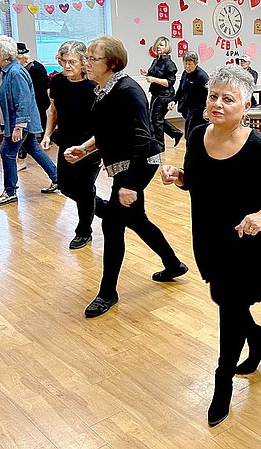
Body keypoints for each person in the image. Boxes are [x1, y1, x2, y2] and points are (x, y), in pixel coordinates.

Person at [160, 65, 261, 427]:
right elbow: (193, 181)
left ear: (245, 104)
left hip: (249, 241)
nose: (218, 104)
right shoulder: (195, 134)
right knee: (227, 302)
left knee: (229, 309)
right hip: (210, 237)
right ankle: (259, 342)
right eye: (213, 97)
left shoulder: (256, 146)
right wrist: (177, 177)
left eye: (228, 99)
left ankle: (222, 384)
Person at [64, 36, 188, 318]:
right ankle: (173, 264)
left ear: (111, 63)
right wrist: (84, 149)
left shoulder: (128, 91)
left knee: (112, 225)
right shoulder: (105, 89)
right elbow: (110, 132)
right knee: (137, 219)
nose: (86, 62)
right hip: (125, 164)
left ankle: (108, 292)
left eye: (92, 58)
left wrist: (130, 184)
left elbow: (143, 140)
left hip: (138, 164)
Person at [40, 41, 100, 250]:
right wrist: (47, 135)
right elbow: (53, 112)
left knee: (84, 188)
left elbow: (102, 121)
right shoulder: (57, 82)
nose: (67, 66)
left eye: (72, 62)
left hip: (89, 146)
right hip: (65, 143)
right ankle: (98, 205)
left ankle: (84, 231)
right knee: (65, 186)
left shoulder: (93, 86)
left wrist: (90, 147)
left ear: (84, 62)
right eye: (64, 61)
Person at [0, 36, 58, 207]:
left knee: (7, 153)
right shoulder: (5, 71)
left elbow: (24, 101)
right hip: (13, 121)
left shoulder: (16, 72)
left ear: (6, 54)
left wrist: (19, 126)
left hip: (19, 122)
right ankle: (57, 178)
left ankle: (10, 192)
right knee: (33, 148)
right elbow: (2, 97)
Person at [141, 36, 183, 150]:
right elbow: (154, 73)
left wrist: (153, 79)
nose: (159, 47)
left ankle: (160, 145)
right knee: (155, 119)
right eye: (158, 44)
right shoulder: (155, 61)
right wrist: (147, 73)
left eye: (162, 45)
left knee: (155, 120)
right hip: (156, 93)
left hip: (165, 95)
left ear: (166, 48)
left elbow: (169, 82)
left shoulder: (169, 64)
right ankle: (175, 133)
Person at [15, 42, 51, 174]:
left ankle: (21, 160)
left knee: (26, 137)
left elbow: (46, 87)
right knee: (29, 141)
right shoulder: (20, 68)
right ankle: (55, 175)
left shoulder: (35, 68)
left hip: (38, 103)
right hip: (31, 104)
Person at [172, 51, 209, 141]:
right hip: (187, 108)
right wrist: (174, 100)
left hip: (198, 110)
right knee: (188, 135)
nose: (187, 67)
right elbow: (180, 89)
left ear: (196, 63)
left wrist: (206, 109)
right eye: (185, 64)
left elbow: (208, 95)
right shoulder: (185, 73)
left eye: (190, 64)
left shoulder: (202, 77)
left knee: (191, 135)